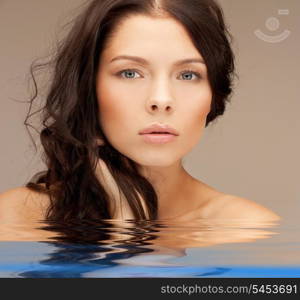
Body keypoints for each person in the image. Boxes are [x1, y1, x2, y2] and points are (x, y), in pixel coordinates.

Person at [0, 0, 280, 226]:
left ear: (212, 97)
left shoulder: (248, 229)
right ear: (88, 89)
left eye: (187, 75)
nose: (161, 100)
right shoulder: (13, 218)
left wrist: (131, 243)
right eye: (130, 73)